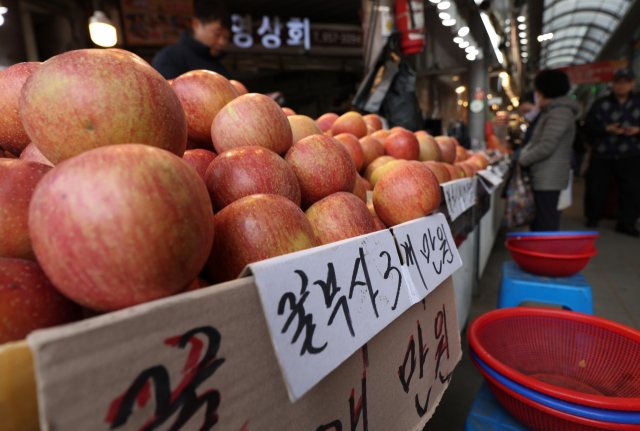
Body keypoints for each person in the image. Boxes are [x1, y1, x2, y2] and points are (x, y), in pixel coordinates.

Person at [519, 69, 579, 232]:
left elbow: (546, 146)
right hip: (544, 176)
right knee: (541, 222)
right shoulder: (552, 110)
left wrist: (522, 158)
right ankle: (541, 254)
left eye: (537, 90)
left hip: (549, 178)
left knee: (546, 224)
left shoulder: (560, 112)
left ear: (545, 90)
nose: (536, 94)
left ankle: (546, 255)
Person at [584, 70, 640, 237]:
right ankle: (592, 217)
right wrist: (605, 129)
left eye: (626, 82)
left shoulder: (638, 102)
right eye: (618, 82)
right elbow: (587, 127)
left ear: (633, 84)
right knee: (595, 187)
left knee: (631, 190)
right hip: (603, 153)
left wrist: (638, 130)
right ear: (613, 85)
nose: (622, 85)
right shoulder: (600, 103)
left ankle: (626, 223)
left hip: (631, 154)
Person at [153, 1, 231, 80]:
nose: (222, 42)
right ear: (196, 25)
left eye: (226, 37)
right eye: (217, 34)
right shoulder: (170, 57)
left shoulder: (220, 68)